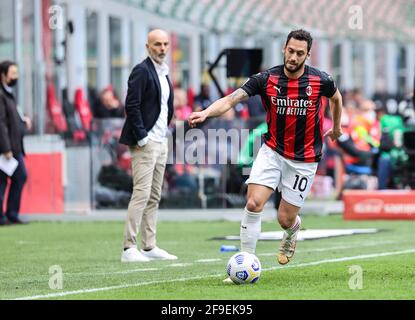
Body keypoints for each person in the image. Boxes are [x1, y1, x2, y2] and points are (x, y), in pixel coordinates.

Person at [188, 29, 343, 282]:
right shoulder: (266, 78)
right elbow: (231, 99)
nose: (293, 57)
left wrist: (336, 126)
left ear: (308, 55)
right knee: (253, 204)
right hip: (272, 150)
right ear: (284, 48)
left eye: (300, 53)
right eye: (291, 51)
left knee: (284, 218)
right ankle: (245, 263)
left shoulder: (321, 80)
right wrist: (206, 113)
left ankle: (292, 231)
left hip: (304, 159)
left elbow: (336, 99)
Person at [119, 29, 177, 262]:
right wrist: (142, 137)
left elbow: (165, 108)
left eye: (165, 44)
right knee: (141, 194)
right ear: (148, 47)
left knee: (154, 196)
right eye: (157, 45)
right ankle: (128, 247)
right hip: (146, 142)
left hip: (161, 141)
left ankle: (149, 246)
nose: (162, 48)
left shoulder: (164, 73)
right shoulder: (141, 71)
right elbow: (131, 105)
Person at [0, 61, 31, 226]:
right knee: (2, 182)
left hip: (15, 146)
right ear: (3, 75)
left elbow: (12, 118)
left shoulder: (9, 94)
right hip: (7, 149)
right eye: (12, 73)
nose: (16, 77)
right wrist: (5, 148)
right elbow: (1, 124)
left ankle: (11, 213)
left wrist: (23, 120)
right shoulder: (1, 95)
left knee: (20, 177)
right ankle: (3, 216)